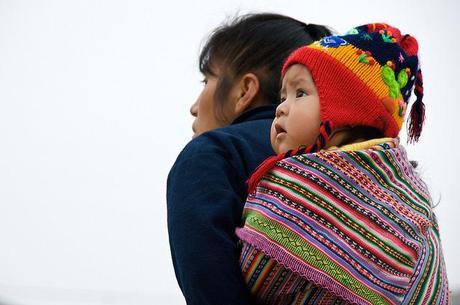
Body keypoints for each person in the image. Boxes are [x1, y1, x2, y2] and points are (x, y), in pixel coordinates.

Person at [236, 23, 449, 305]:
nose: (281, 107)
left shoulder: (401, 199)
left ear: (347, 109)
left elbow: (259, 271)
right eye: (282, 96)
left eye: (300, 93)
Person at [167, 13, 332, 305]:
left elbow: (210, 291)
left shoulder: (211, 156)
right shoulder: (350, 158)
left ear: (245, 90)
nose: (194, 107)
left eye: (207, 80)